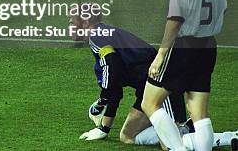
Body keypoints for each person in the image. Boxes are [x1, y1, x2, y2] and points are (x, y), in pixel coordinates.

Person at [70, 14, 237, 149]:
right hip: (147, 88)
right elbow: (114, 85)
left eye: (72, 22)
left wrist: (101, 102)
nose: (70, 27)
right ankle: (187, 129)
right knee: (128, 136)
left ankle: (228, 138)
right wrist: (103, 128)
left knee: (172, 144)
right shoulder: (105, 35)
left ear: (85, 23)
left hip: (161, 85)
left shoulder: (97, 35)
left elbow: (111, 68)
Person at [142, 0, 227, 151]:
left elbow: (176, 17)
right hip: (208, 46)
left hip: (184, 46)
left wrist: (161, 54)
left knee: (150, 102)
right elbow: (224, 7)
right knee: (199, 112)